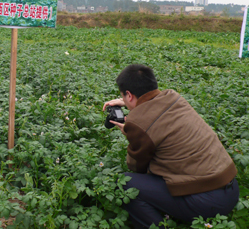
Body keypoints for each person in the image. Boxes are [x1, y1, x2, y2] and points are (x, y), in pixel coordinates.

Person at [102, 64, 239, 228]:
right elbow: (152, 103)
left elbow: (135, 166)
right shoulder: (174, 98)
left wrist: (130, 134)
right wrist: (127, 103)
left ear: (129, 95)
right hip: (231, 190)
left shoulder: (139, 124)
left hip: (207, 203)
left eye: (124, 97)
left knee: (126, 184)